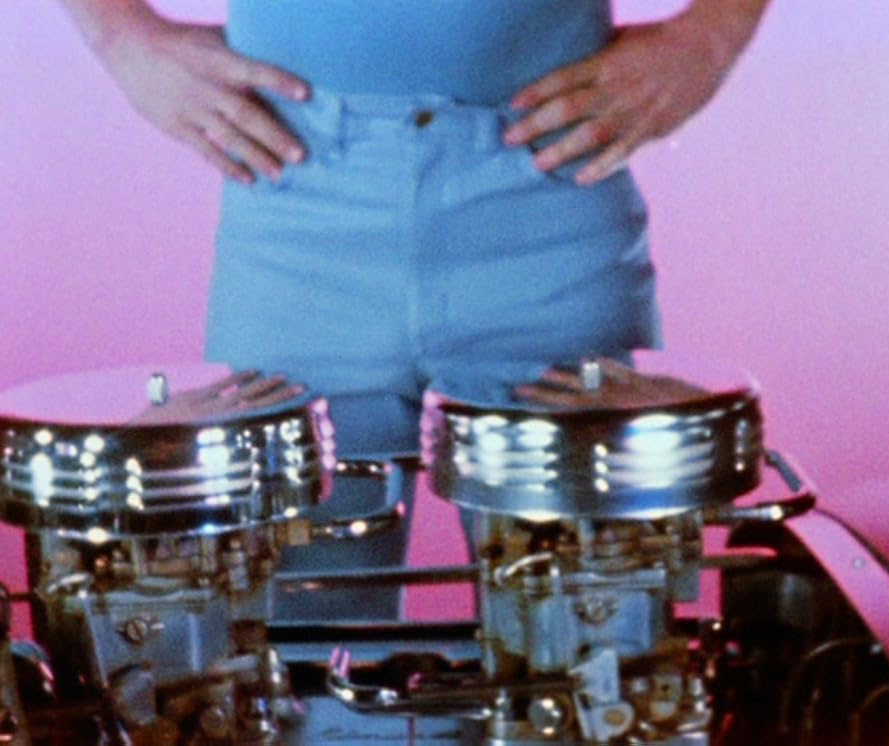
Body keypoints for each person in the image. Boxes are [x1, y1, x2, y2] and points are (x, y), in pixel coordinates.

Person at [57, 0, 769, 616]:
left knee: (595, 637)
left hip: (546, 192)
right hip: (295, 209)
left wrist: (710, 37)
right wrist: (122, 37)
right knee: (287, 649)